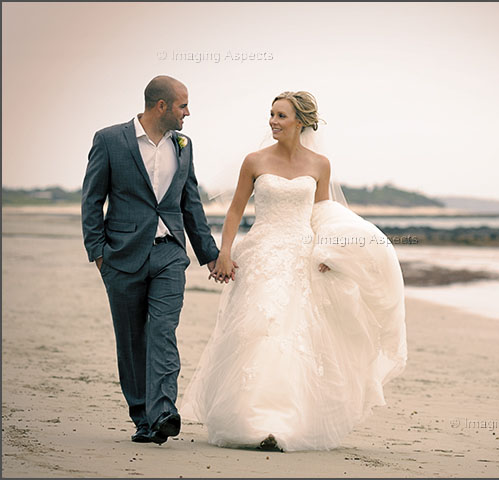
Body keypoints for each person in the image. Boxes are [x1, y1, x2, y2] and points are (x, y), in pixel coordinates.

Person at [179, 91, 407, 452]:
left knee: (294, 337)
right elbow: (236, 209)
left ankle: (282, 424)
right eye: (271, 114)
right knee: (256, 331)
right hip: (261, 255)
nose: (272, 121)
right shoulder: (254, 161)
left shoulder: (320, 164)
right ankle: (249, 420)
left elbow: (324, 216)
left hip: (301, 257)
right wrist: (223, 252)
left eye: (281, 116)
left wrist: (328, 253)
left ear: (299, 122)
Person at [81, 75, 224, 445]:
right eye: (183, 105)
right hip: (122, 256)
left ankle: (163, 412)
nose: (187, 113)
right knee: (131, 341)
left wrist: (209, 254)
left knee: (163, 332)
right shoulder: (109, 140)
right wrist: (98, 254)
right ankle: (143, 419)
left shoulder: (183, 144)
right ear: (161, 106)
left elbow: (190, 202)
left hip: (169, 254)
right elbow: (92, 200)